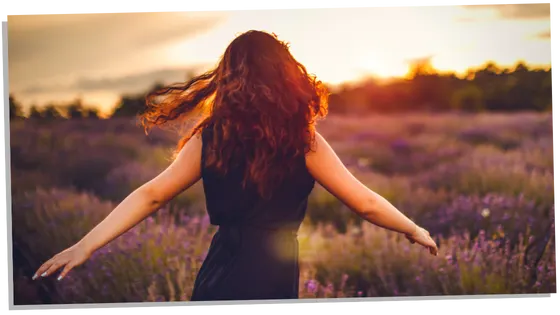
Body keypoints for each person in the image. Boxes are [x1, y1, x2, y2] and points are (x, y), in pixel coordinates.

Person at [33, 30, 438, 301]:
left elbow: (151, 195)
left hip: (221, 266)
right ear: (285, 74)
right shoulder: (303, 139)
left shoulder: (212, 136)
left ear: (229, 78)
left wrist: (85, 245)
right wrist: (413, 228)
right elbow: (363, 203)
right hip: (271, 270)